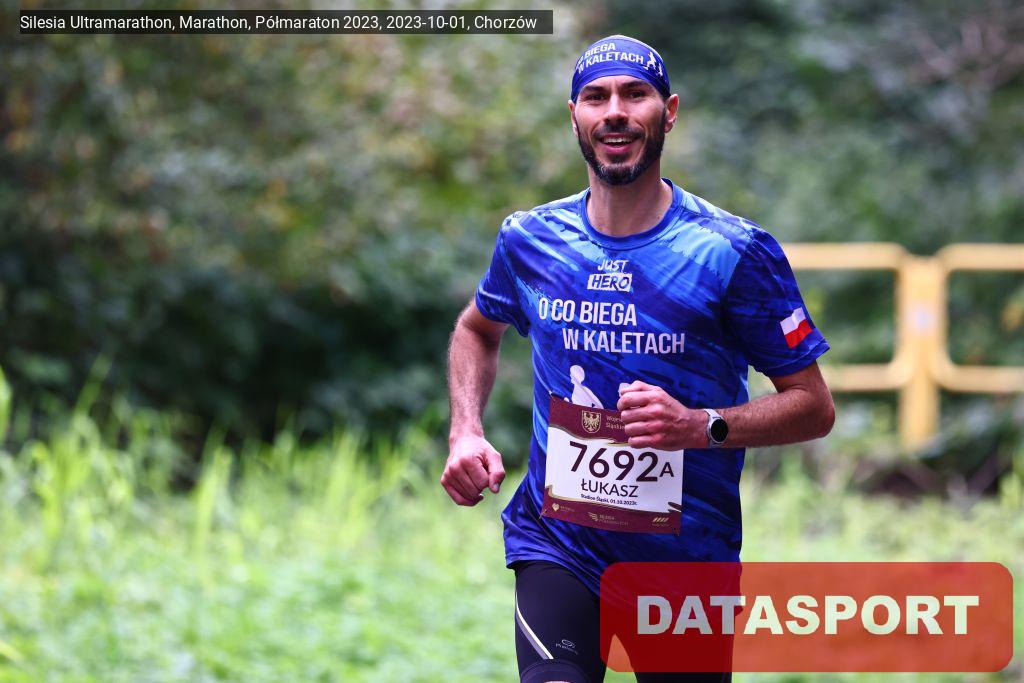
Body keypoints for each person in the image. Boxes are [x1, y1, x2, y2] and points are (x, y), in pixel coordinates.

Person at [443, 34, 835, 683]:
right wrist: (465, 429)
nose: (615, 112)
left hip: (683, 565)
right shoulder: (531, 240)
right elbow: (476, 329)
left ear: (668, 112)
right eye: (596, 97)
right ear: (574, 116)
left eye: (635, 94)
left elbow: (813, 406)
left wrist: (699, 425)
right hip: (558, 542)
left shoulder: (731, 252)